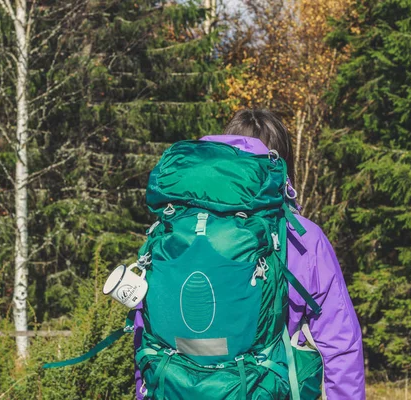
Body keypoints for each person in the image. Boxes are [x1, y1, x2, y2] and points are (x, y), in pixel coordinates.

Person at [133, 109, 366, 400]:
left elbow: (147, 327)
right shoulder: (300, 236)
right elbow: (340, 342)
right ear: (280, 166)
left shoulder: (172, 228)